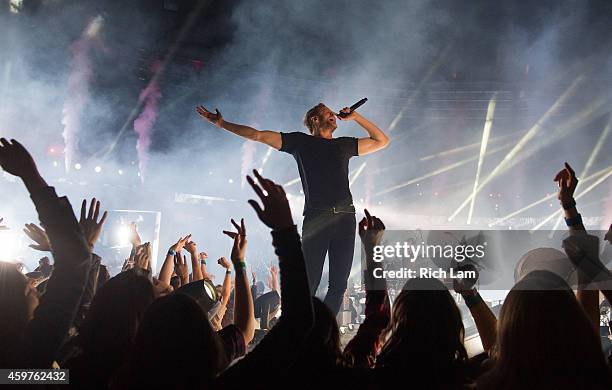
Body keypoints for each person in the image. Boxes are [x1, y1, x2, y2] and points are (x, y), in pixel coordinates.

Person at [197, 102, 390, 314]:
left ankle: (322, 333)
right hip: (318, 217)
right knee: (309, 283)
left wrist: (356, 117)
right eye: (328, 113)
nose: (334, 115)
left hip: (345, 218)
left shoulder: (344, 145)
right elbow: (257, 135)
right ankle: (303, 328)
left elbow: (382, 141)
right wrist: (222, 123)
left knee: (339, 285)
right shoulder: (300, 142)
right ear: (315, 120)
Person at [0, 138, 92, 368]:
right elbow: (75, 263)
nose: (33, 283)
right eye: (26, 287)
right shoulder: (28, 357)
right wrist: (31, 176)